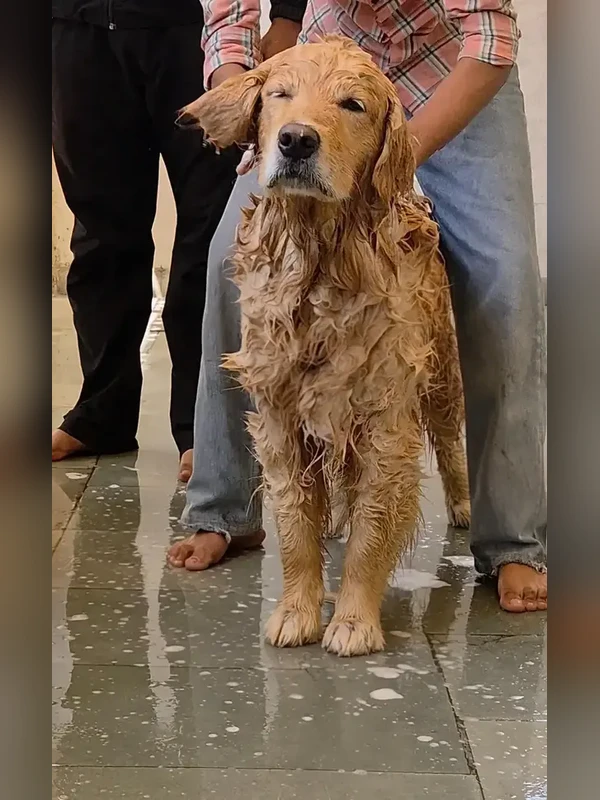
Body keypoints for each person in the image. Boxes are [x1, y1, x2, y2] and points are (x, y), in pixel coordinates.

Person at [168, 0, 547, 613]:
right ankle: (225, 507)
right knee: (222, 264)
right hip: (327, 68)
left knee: (505, 284)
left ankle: (512, 542)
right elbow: (229, 19)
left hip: (453, 68)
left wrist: (388, 158)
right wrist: (252, 108)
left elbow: (490, 40)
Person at [51, 0, 305, 481]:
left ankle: (202, 426)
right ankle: (101, 412)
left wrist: (289, 13)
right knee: (98, 230)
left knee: (209, 235)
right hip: (75, 27)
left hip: (195, 30)